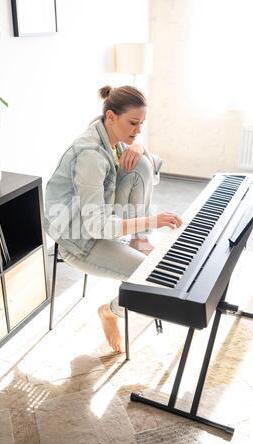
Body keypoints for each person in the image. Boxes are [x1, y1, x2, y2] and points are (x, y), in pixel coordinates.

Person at [45, 85, 182, 353]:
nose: (137, 130)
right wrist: (152, 221)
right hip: (79, 239)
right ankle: (110, 313)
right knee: (150, 278)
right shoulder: (90, 156)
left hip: (98, 215)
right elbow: (96, 226)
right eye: (133, 123)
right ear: (111, 116)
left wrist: (140, 147)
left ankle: (138, 243)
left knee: (140, 163)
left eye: (141, 124)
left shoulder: (110, 135)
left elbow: (152, 170)